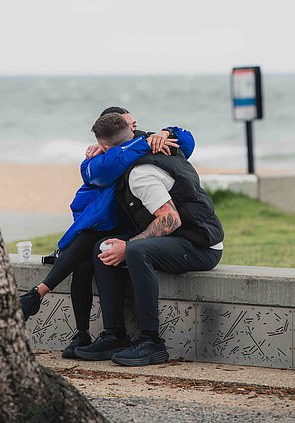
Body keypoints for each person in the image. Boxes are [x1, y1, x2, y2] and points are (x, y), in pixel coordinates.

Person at [19, 108, 196, 359]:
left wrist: (167, 132)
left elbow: (185, 141)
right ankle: (83, 332)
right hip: (99, 224)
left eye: (135, 124)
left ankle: (38, 296)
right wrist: (140, 145)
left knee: (93, 247)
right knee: (85, 259)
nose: (135, 128)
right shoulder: (101, 159)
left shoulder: (144, 143)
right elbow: (108, 167)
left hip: (116, 227)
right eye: (130, 124)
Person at [74, 113, 223, 366]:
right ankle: (114, 334)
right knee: (104, 247)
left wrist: (129, 246)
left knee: (136, 251)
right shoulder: (140, 148)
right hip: (176, 238)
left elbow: (171, 219)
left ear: (107, 149)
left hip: (200, 245)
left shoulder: (140, 173)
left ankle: (151, 342)